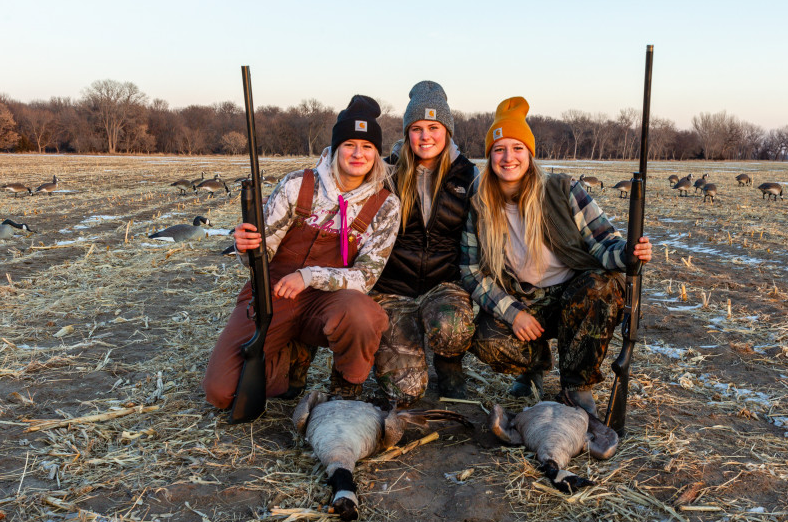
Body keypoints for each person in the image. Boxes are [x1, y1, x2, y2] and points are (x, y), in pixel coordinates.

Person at [460, 97, 652, 455]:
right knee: (486, 338)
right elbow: (470, 271)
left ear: (530, 153)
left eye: (517, 147)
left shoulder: (563, 191)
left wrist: (627, 254)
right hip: (522, 299)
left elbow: (603, 242)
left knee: (601, 289)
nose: (508, 157)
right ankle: (534, 364)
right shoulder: (479, 200)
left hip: (570, 295)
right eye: (498, 149)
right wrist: (512, 311)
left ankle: (576, 385)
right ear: (489, 156)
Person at [203, 95, 400, 410]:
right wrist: (247, 246)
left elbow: (365, 277)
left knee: (364, 315)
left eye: (367, 147)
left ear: (377, 154)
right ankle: (287, 361)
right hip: (275, 292)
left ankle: (347, 386)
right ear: (336, 148)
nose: (358, 154)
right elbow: (260, 254)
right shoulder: (297, 185)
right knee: (222, 392)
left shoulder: (386, 205)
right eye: (350, 144)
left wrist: (308, 276)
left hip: (330, 299)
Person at [369, 81, 479, 405]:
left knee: (451, 326)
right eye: (416, 128)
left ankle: (450, 365)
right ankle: (401, 351)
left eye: (434, 127)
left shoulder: (468, 175)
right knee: (405, 393)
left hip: (443, 285)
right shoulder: (386, 173)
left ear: (447, 130)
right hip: (393, 289)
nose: (425, 136)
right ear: (406, 133)